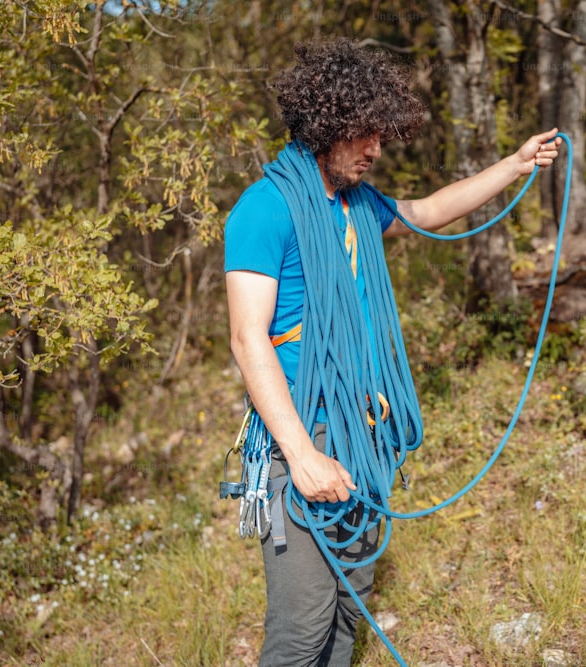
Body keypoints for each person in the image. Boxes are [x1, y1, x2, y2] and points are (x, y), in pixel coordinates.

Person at [224, 38, 559, 667]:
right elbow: (248, 339)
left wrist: (514, 166)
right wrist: (301, 456)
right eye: (363, 134)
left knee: (349, 615)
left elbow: (429, 210)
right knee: (300, 631)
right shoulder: (263, 210)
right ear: (325, 125)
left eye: (382, 133)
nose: (375, 149)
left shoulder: (359, 205)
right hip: (305, 432)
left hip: (362, 429)